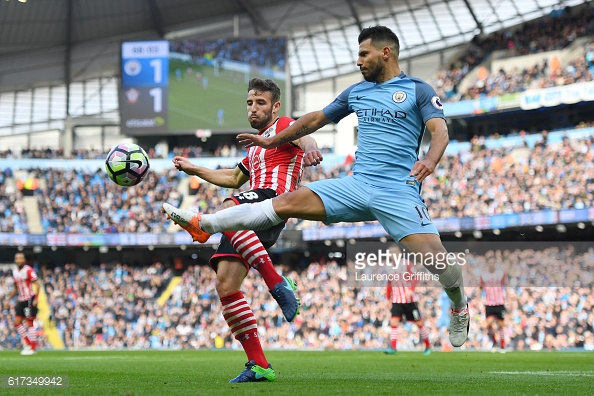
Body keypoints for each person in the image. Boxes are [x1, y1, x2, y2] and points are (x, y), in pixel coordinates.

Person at [163, 26, 470, 347]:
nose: (358, 61)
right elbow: (313, 121)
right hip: (358, 185)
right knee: (287, 202)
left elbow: (440, 131)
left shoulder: (417, 90)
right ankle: (205, 223)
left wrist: (431, 160)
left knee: (437, 263)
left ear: (385, 53)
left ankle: (460, 304)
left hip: (399, 191)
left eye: (364, 54)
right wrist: (271, 141)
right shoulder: (357, 92)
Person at [165, 77, 322, 383]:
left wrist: (312, 148)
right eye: (250, 102)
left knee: (226, 208)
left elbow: (306, 136)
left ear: (275, 106)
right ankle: (259, 365)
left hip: (274, 201)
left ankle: (276, 283)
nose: (253, 108)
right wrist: (194, 167)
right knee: (225, 286)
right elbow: (234, 178)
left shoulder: (285, 126)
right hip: (248, 215)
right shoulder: (255, 146)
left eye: (260, 102)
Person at [384, 245, 431, 355]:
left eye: (394, 252)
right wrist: (387, 298)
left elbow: (416, 277)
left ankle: (428, 346)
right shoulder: (389, 267)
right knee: (393, 322)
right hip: (396, 300)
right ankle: (393, 348)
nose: (392, 255)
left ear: (399, 253)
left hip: (409, 301)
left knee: (419, 323)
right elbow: (389, 283)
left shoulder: (406, 263)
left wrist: (410, 289)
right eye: (391, 253)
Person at [8, 252, 40, 355]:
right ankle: (28, 343)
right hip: (21, 300)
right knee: (17, 322)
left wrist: (36, 298)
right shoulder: (14, 272)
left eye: (21, 258)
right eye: (17, 258)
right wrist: (8, 298)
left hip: (29, 299)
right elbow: (16, 287)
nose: (19, 260)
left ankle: (33, 348)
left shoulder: (28, 270)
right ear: (15, 260)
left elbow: (37, 283)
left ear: (24, 260)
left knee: (30, 322)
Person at [479, 254, 507, 353]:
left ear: (495, 264)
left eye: (493, 263)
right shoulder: (483, 275)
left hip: (499, 302)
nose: (491, 265)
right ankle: (495, 341)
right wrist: (479, 299)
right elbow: (480, 287)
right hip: (489, 303)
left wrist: (508, 298)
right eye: (489, 263)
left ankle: (502, 344)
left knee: (501, 325)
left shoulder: (501, 274)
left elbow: (505, 285)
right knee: (489, 324)